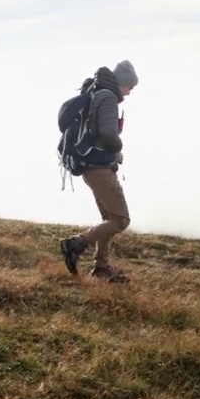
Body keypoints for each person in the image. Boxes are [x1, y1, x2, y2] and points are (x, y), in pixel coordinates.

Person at [59, 60, 139, 282]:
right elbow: (107, 133)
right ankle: (76, 243)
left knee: (108, 218)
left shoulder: (96, 92)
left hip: (91, 165)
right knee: (121, 220)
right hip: (100, 167)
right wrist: (118, 149)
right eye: (129, 87)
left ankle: (102, 268)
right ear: (121, 83)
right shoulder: (108, 97)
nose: (129, 92)